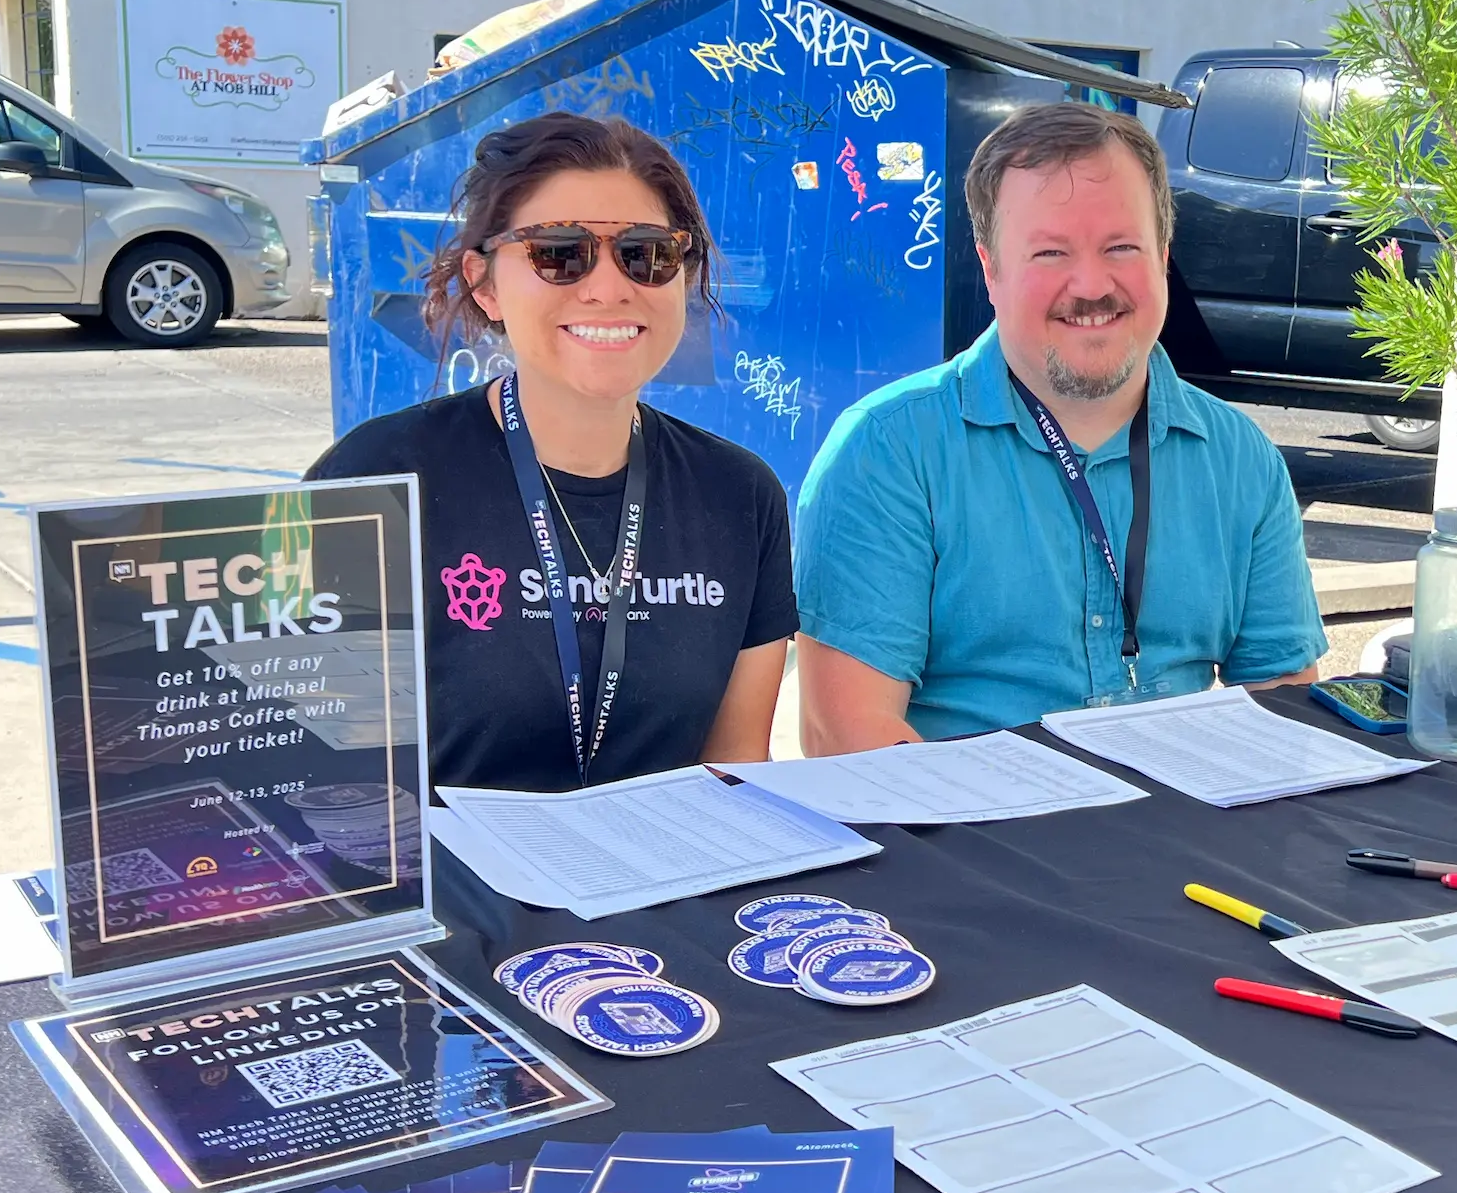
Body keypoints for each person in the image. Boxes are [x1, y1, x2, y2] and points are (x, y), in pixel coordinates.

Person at [794, 100, 1322, 749]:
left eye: (1121, 247)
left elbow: (1284, 708)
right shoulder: (887, 453)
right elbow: (848, 740)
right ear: (991, 269)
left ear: (1163, 256)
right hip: (969, 811)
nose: (1091, 284)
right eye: (1050, 252)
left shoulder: (1240, 459)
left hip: (1181, 809)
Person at [309, 112, 794, 793]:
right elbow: (325, 776)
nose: (608, 287)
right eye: (559, 252)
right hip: (449, 866)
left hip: (667, 861)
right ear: (484, 283)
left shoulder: (740, 495)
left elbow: (735, 770)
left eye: (647, 254)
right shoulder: (375, 480)